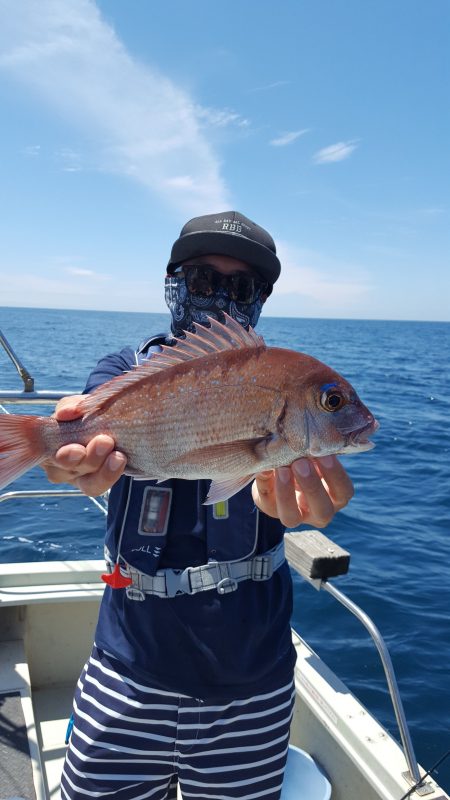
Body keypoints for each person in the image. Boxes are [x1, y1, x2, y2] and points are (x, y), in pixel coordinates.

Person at [43, 211, 354, 800]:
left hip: (252, 682)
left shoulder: (282, 382)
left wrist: (315, 505)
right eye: (204, 280)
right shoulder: (124, 373)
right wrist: (65, 458)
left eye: (242, 288)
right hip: (128, 667)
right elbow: (83, 424)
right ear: (173, 284)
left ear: (262, 299)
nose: (220, 299)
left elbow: (301, 497)